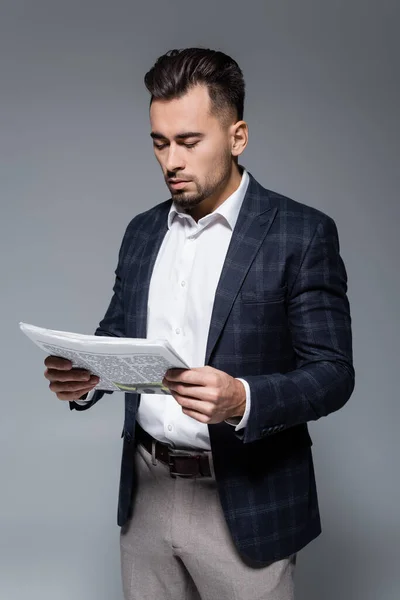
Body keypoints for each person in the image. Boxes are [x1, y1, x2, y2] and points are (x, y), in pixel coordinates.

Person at [44, 47, 354, 600]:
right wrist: (87, 373)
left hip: (246, 501)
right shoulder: (141, 232)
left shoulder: (300, 234)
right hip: (147, 492)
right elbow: (119, 335)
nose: (171, 161)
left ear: (237, 137)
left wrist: (242, 398)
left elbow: (333, 373)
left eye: (189, 141)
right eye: (159, 143)